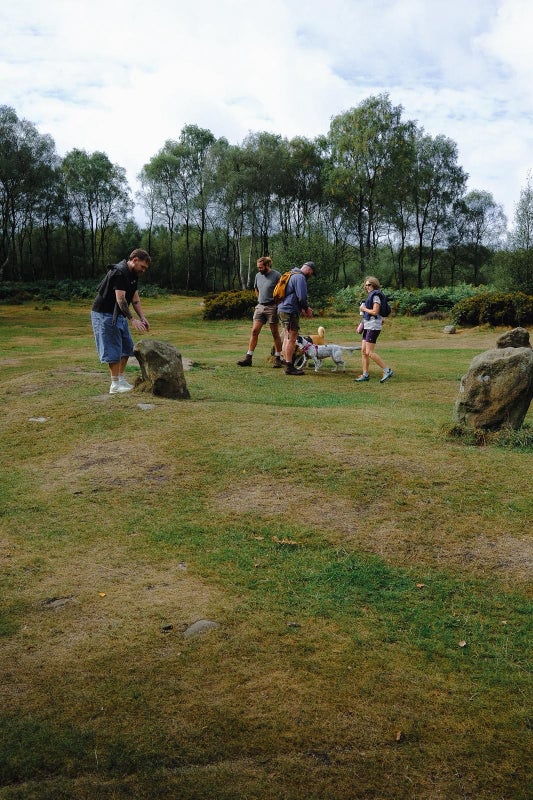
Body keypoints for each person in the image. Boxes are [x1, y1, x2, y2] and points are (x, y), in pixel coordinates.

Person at [91, 248, 151, 394]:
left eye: (145, 268)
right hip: (105, 314)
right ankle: (115, 385)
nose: (143, 270)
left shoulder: (133, 274)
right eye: (142, 266)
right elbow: (121, 299)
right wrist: (132, 319)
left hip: (118, 315)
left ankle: (121, 379)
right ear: (135, 260)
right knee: (113, 349)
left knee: (126, 348)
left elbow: (135, 299)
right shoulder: (119, 272)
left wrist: (142, 317)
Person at [237, 256, 283, 368]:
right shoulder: (258, 275)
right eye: (258, 267)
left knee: (275, 333)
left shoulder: (277, 275)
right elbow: (256, 289)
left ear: (267, 265)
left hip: (272, 307)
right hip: (260, 307)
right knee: (254, 331)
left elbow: (282, 291)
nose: (259, 269)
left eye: (261, 267)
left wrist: (277, 304)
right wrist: (259, 300)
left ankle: (278, 358)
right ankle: (248, 358)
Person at [277, 261, 315, 375]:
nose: (310, 275)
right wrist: (306, 308)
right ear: (309, 270)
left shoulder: (291, 274)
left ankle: (286, 362)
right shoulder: (300, 277)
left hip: (282, 308)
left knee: (286, 337)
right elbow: (302, 297)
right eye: (311, 273)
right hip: (290, 311)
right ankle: (289, 366)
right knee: (292, 338)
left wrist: (301, 308)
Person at [355, 276, 394, 383]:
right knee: (364, 351)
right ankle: (365, 375)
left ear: (374, 285)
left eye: (369, 285)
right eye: (366, 285)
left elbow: (375, 312)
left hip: (373, 326)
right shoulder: (371, 295)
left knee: (369, 352)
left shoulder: (376, 295)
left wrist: (363, 308)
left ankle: (387, 370)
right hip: (368, 325)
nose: (367, 287)